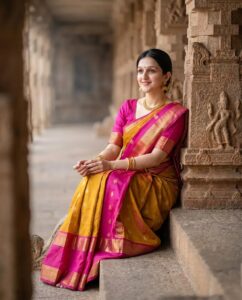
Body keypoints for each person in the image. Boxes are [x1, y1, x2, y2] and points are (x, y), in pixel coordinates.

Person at [40, 48, 188, 291]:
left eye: (152, 71)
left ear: (167, 76)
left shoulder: (175, 114)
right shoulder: (128, 107)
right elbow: (113, 146)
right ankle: (84, 250)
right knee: (93, 178)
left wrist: (110, 166)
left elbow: (156, 157)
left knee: (111, 181)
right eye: (140, 71)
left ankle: (113, 242)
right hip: (127, 170)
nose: (144, 76)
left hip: (157, 180)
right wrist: (95, 161)